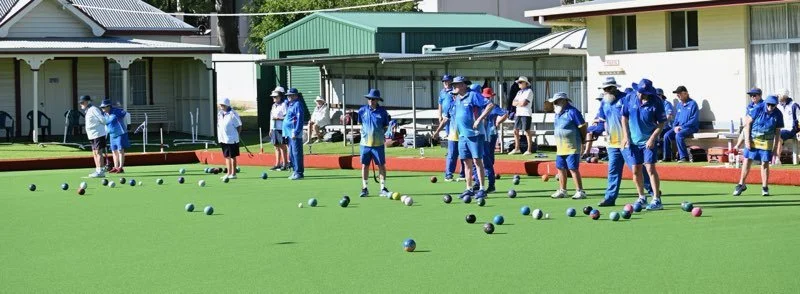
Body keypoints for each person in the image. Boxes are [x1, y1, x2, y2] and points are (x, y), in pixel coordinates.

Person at [596, 78, 651, 207]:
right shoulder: (604, 102)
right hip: (612, 144)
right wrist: (595, 131)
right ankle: (610, 198)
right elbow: (602, 120)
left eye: (608, 88)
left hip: (628, 142)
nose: (606, 91)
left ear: (614, 88)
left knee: (636, 169)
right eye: (604, 89)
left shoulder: (626, 98)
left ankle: (653, 191)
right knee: (613, 171)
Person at [621, 79, 666, 210]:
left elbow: (661, 123)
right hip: (633, 142)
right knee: (635, 170)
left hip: (648, 142)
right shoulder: (629, 98)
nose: (641, 95)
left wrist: (652, 138)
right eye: (639, 92)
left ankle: (657, 199)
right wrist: (625, 136)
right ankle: (641, 197)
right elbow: (624, 117)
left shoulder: (657, 102)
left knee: (650, 169)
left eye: (644, 93)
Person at [451, 76, 494, 198]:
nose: (455, 86)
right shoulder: (457, 98)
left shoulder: (473, 95)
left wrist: (479, 119)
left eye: (458, 84)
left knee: (477, 161)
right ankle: (469, 188)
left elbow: (490, 105)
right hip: (462, 136)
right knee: (466, 162)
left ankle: (481, 188)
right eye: (454, 84)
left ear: (464, 85)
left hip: (475, 134)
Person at [733, 95, 783, 196]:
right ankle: (741, 184)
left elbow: (777, 132)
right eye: (768, 104)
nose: (770, 107)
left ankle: (765, 187)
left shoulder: (778, 114)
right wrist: (746, 140)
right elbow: (747, 124)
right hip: (753, 139)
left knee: (765, 163)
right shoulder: (758, 108)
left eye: (773, 105)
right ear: (766, 103)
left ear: (776, 105)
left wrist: (775, 148)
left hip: (767, 141)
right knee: (747, 161)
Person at [549, 92, 588, 199]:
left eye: (556, 101)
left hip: (572, 146)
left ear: (564, 101)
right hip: (560, 147)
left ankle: (580, 191)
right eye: (554, 102)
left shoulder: (573, 112)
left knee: (573, 168)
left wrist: (583, 139)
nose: (555, 104)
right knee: (560, 168)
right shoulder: (557, 113)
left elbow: (583, 126)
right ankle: (563, 190)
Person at [357, 89, 391, 197]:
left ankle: (383, 188)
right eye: (369, 99)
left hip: (378, 145)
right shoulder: (362, 111)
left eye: (373, 99)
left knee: (381, 165)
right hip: (365, 144)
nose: (371, 101)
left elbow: (385, 127)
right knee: (364, 165)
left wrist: (380, 135)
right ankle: (364, 188)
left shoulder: (382, 112)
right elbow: (360, 124)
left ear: (377, 100)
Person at [435, 75, 465, 182]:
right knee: (452, 154)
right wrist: (437, 131)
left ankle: (463, 174)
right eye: (452, 95)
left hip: (463, 133)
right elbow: (445, 119)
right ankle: (448, 175)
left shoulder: (464, 103)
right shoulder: (450, 106)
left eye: (455, 95)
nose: (454, 96)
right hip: (453, 133)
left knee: (463, 154)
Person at [477, 87, 507, 193]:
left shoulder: (491, 106)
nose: (487, 99)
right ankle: (479, 182)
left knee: (487, 159)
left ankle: (489, 183)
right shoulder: (480, 105)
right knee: (482, 159)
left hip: (489, 135)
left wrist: (498, 122)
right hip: (485, 134)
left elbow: (505, 113)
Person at [662, 86, 699, 162]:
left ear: (685, 93)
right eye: (677, 94)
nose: (678, 96)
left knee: (679, 135)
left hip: (691, 127)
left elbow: (693, 120)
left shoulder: (693, 104)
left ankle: (684, 157)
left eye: (679, 94)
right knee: (666, 135)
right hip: (679, 127)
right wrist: (674, 126)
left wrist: (681, 127)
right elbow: (676, 119)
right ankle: (667, 157)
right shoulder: (679, 105)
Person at [80, 95, 107, 178]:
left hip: (98, 134)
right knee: (94, 153)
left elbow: (103, 120)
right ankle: (98, 169)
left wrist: (100, 126)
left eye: (82, 102)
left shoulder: (94, 109)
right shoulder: (88, 110)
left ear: (88, 102)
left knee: (98, 152)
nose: (80, 104)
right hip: (92, 135)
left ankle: (101, 171)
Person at [100, 99, 129, 174]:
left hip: (120, 133)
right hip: (112, 135)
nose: (102, 109)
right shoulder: (104, 114)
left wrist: (129, 124)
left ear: (109, 106)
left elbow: (127, 114)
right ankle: (115, 167)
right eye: (102, 107)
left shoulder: (116, 111)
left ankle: (121, 168)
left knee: (120, 150)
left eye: (104, 107)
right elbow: (106, 124)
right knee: (114, 151)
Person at [217, 98, 242, 180]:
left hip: (232, 139)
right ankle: (228, 173)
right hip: (223, 138)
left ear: (227, 105)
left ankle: (233, 174)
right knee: (227, 156)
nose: (221, 106)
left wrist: (236, 135)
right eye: (220, 104)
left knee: (232, 156)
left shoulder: (233, 114)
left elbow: (239, 126)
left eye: (222, 105)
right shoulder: (220, 113)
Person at [509, 76, 534, 155]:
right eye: (518, 82)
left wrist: (518, 103)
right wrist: (519, 103)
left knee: (527, 131)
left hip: (526, 113)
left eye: (520, 82)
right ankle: (517, 148)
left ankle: (529, 150)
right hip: (518, 113)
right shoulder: (519, 92)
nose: (519, 84)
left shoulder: (529, 91)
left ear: (526, 83)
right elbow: (513, 103)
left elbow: (524, 103)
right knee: (515, 131)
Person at [285, 88, 305, 180]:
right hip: (289, 132)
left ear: (296, 96)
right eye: (288, 95)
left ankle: (299, 172)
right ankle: (295, 170)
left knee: (296, 152)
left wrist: (296, 131)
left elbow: (299, 119)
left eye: (291, 95)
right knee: (292, 153)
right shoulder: (290, 104)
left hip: (294, 132)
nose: (289, 97)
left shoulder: (297, 104)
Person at [775, 89, 799, 164]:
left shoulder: (794, 105)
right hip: (780, 129)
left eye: (779, 95)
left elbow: (799, 118)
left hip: (791, 130)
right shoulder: (777, 106)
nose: (777, 96)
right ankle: (769, 158)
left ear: (784, 96)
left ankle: (777, 159)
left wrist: (799, 130)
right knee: (771, 135)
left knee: (778, 136)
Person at [269, 89, 289, 171]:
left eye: (275, 96)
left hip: (281, 128)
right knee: (276, 146)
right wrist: (270, 129)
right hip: (274, 128)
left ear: (280, 97)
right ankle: (277, 164)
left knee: (282, 146)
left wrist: (278, 118)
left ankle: (285, 164)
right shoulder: (273, 106)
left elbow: (286, 117)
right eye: (273, 97)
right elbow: (271, 118)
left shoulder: (284, 105)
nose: (274, 98)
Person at [581, 92, 606, 159]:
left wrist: (596, 121)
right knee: (583, 132)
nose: (600, 101)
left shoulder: (606, 107)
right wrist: (595, 121)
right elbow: (595, 119)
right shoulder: (600, 109)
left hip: (603, 126)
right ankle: (583, 152)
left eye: (601, 99)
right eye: (600, 100)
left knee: (589, 133)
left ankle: (586, 152)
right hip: (597, 125)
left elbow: (605, 119)